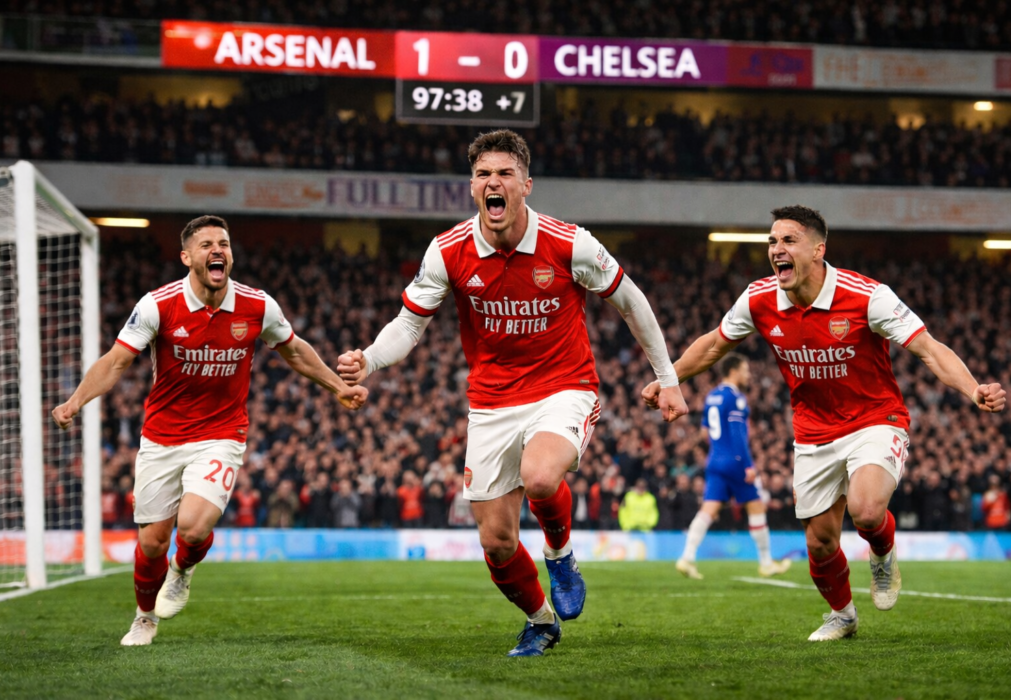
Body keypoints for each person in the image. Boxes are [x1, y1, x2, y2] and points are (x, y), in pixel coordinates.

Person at [338, 129, 687, 656]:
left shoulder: (571, 243)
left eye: (504, 173)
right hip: (490, 402)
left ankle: (561, 553)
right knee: (496, 542)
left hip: (563, 386)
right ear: (472, 187)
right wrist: (369, 358)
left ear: (526, 184)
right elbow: (409, 326)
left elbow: (632, 303)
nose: (493, 182)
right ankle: (541, 621)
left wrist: (668, 378)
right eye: (483, 174)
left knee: (541, 476)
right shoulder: (448, 251)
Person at [643, 205, 1005, 641]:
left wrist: (972, 389)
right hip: (813, 431)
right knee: (820, 543)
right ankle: (843, 615)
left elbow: (928, 348)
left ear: (818, 250)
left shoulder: (867, 296)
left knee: (868, 511)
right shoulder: (759, 299)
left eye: (788, 240)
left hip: (876, 418)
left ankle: (883, 552)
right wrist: (668, 379)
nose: (777, 249)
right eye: (772, 242)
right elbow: (714, 346)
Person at [51, 215, 367, 646]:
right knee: (152, 543)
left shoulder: (257, 305)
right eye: (206, 245)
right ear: (187, 257)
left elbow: (294, 351)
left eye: (224, 243)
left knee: (194, 528)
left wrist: (337, 386)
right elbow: (116, 362)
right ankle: (145, 617)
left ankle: (182, 572)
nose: (218, 250)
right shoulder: (158, 305)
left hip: (222, 433)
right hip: (161, 436)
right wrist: (75, 401)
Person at [675, 353, 792, 580]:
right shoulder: (736, 397)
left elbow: (704, 432)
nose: (748, 374)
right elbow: (739, 434)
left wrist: (719, 450)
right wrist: (747, 464)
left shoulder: (712, 396)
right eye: (745, 370)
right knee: (756, 507)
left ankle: (686, 557)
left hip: (715, 459)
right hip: (735, 461)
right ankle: (766, 563)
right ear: (734, 371)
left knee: (709, 509)